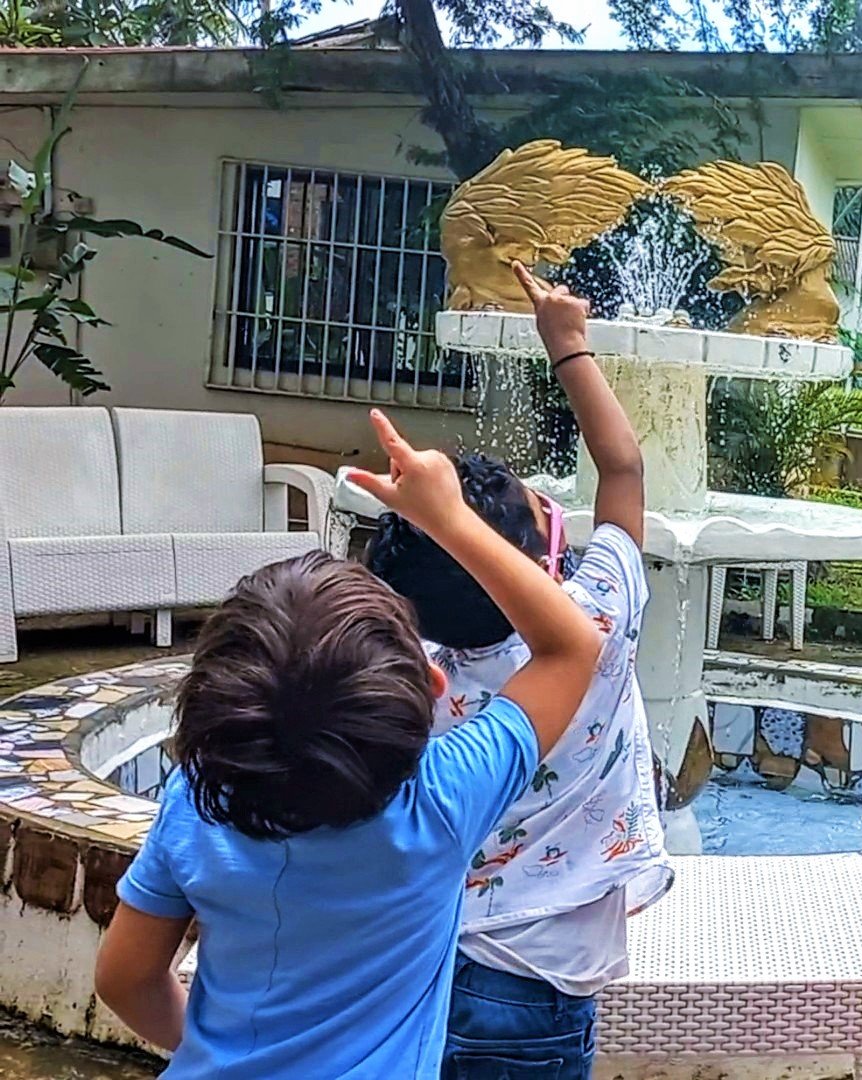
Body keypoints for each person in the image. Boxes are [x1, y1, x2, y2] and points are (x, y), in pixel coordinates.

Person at [92, 409, 607, 1077]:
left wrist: (214, 1049)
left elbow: (125, 979)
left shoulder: (199, 797)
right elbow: (571, 645)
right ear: (431, 683)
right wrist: (450, 520)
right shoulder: (443, 801)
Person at [363, 263, 669, 1079]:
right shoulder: (596, 619)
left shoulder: (413, 671)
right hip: (537, 989)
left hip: (426, 959)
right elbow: (625, 470)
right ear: (537, 562)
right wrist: (567, 344)